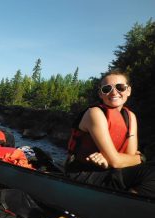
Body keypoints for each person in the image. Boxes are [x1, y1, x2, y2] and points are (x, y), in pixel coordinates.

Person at [65, 69, 155, 198]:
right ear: (101, 94)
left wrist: (110, 160)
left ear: (128, 91)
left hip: (108, 169)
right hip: (82, 173)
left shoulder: (131, 117)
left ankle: (129, 204)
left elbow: (128, 155)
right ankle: (124, 208)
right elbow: (119, 161)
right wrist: (141, 158)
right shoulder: (94, 113)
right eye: (107, 89)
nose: (114, 92)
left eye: (120, 87)